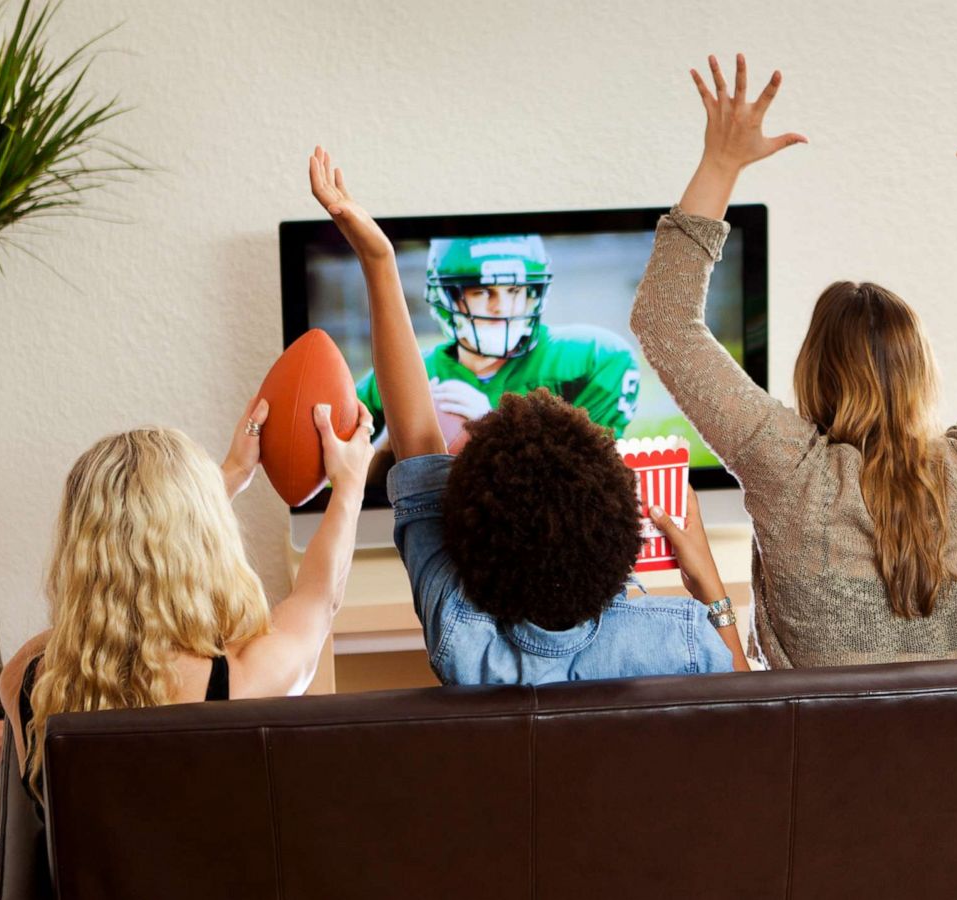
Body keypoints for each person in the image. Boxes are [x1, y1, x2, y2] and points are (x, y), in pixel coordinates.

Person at [630, 55, 957, 668]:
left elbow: (664, 319)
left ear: (813, 373)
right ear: (922, 373)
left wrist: (721, 162)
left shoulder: (789, 469)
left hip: (811, 763)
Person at [306, 147, 749, 682]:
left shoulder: (460, 641)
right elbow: (748, 698)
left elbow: (420, 450)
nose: (499, 304)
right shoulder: (681, 640)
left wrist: (378, 262)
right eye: (483, 291)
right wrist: (711, 591)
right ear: (625, 536)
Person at [0, 396, 374, 803]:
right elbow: (320, 598)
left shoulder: (26, 679)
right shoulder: (237, 687)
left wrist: (230, 474)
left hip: (84, 872)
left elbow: (116, 590)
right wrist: (350, 485)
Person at [353, 232, 642, 452]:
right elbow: (338, 479)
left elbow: (586, 475)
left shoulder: (593, 359)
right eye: (482, 291)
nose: (501, 307)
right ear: (450, 297)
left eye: (514, 290)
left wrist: (498, 424)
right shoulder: (402, 375)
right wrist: (400, 436)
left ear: (532, 293)